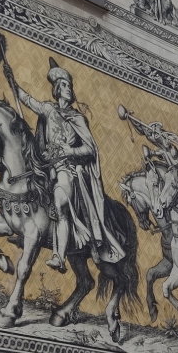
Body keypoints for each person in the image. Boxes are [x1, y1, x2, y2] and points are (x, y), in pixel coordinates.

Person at [13, 59, 125, 272]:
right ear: (57, 88)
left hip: (67, 169)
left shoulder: (77, 118)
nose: (68, 89)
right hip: (46, 167)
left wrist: (70, 151)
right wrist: (12, 81)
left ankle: (59, 256)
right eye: (64, 85)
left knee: (61, 201)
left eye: (69, 86)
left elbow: (90, 149)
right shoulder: (48, 109)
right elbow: (28, 100)